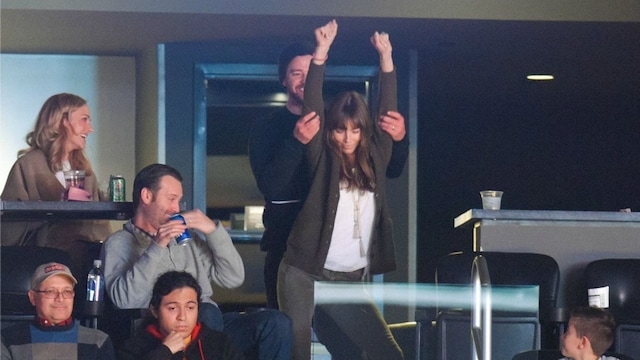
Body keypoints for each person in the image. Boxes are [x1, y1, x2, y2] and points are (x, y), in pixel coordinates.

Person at [248, 29, 408, 311]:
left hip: (338, 252)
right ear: (283, 79)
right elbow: (271, 186)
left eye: (311, 71)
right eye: (296, 73)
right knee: (288, 342)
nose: (305, 79)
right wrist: (297, 142)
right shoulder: (266, 128)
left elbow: (388, 168)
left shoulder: (338, 124)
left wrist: (398, 138)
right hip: (287, 246)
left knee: (345, 342)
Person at [277, 20, 403, 360]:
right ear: (330, 132)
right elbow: (313, 105)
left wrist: (387, 58)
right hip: (303, 273)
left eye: (354, 131)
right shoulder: (322, 158)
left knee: (387, 353)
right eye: (339, 131)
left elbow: (387, 111)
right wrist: (321, 53)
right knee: (298, 353)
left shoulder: (377, 159)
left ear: (364, 132)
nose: (346, 138)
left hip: (348, 281)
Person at [101, 163, 292, 360]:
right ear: (147, 196)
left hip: (210, 326)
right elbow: (124, 300)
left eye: (179, 201)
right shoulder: (118, 243)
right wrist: (157, 246)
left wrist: (213, 231)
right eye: (171, 199)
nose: (177, 208)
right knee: (207, 311)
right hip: (162, 332)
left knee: (276, 323)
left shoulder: (186, 239)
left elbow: (233, 278)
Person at [1, 93, 112, 270]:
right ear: (62, 121)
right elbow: (8, 224)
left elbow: (99, 227)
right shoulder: (29, 165)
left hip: (86, 257)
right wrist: (55, 208)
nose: (90, 128)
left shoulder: (85, 170)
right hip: (44, 260)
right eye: (84, 119)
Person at [119, 271, 245, 360]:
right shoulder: (135, 347)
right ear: (155, 311)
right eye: (173, 308)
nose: (182, 317)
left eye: (190, 308)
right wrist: (164, 351)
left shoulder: (220, 343)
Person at [0, 262, 115, 360]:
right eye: (51, 291)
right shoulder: (7, 340)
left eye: (67, 291)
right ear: (33, 297)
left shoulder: (98, 341)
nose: (60, 298)